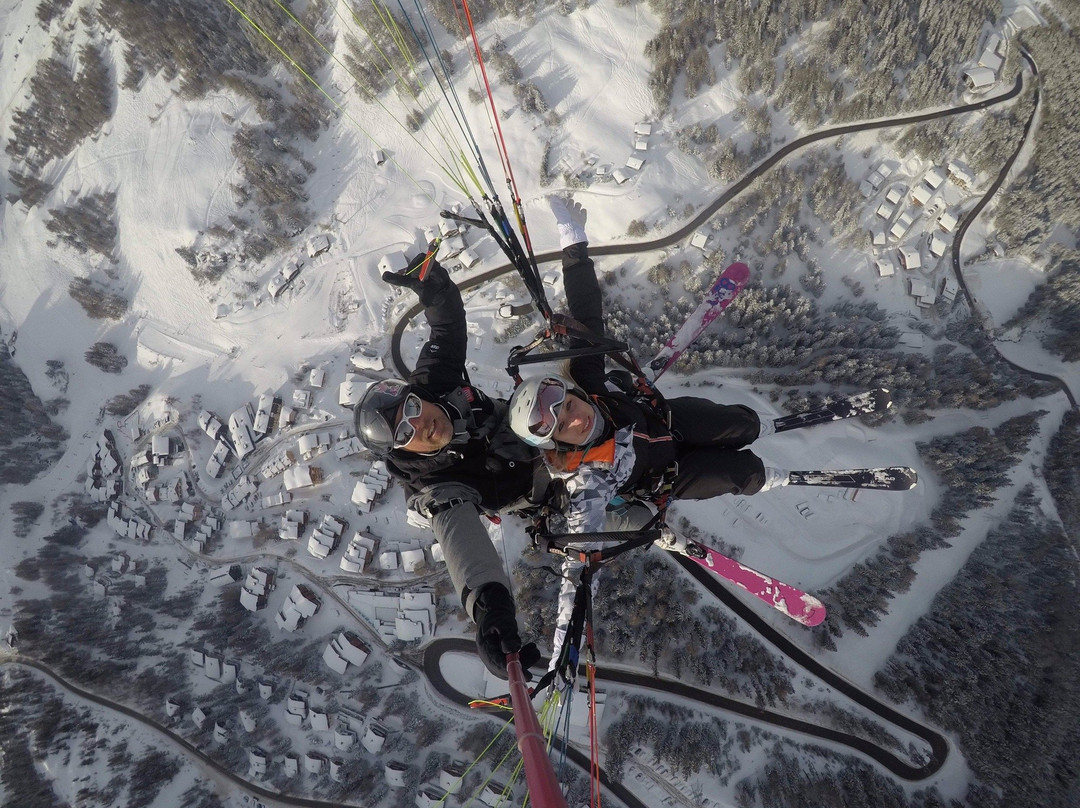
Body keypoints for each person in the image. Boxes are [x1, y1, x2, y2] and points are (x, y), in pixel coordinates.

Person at [507, 196, 789, 664]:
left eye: (566, 401)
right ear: (557, 444)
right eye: (562, 425)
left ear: (569, 388)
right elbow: (576, 575)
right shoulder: (587, 485)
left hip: (662, 417)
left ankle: (763, 426)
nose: (574, 416)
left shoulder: (588, 381)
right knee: (742, 474)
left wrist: (572, 242)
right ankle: (771, 476)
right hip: (666, 478)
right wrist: (562, 653)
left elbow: (585, 313)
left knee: (740, 423)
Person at [353, 250, 541, 680]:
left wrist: (431, 285)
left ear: (414, 394)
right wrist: (490, 611)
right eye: (404, 434)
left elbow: (447, 326)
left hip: (532, 425)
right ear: (400, 451)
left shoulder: (435, 382)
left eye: (412, 408)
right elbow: (462, 543)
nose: (420, 425)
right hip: (537, 487)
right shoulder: (432, 487)